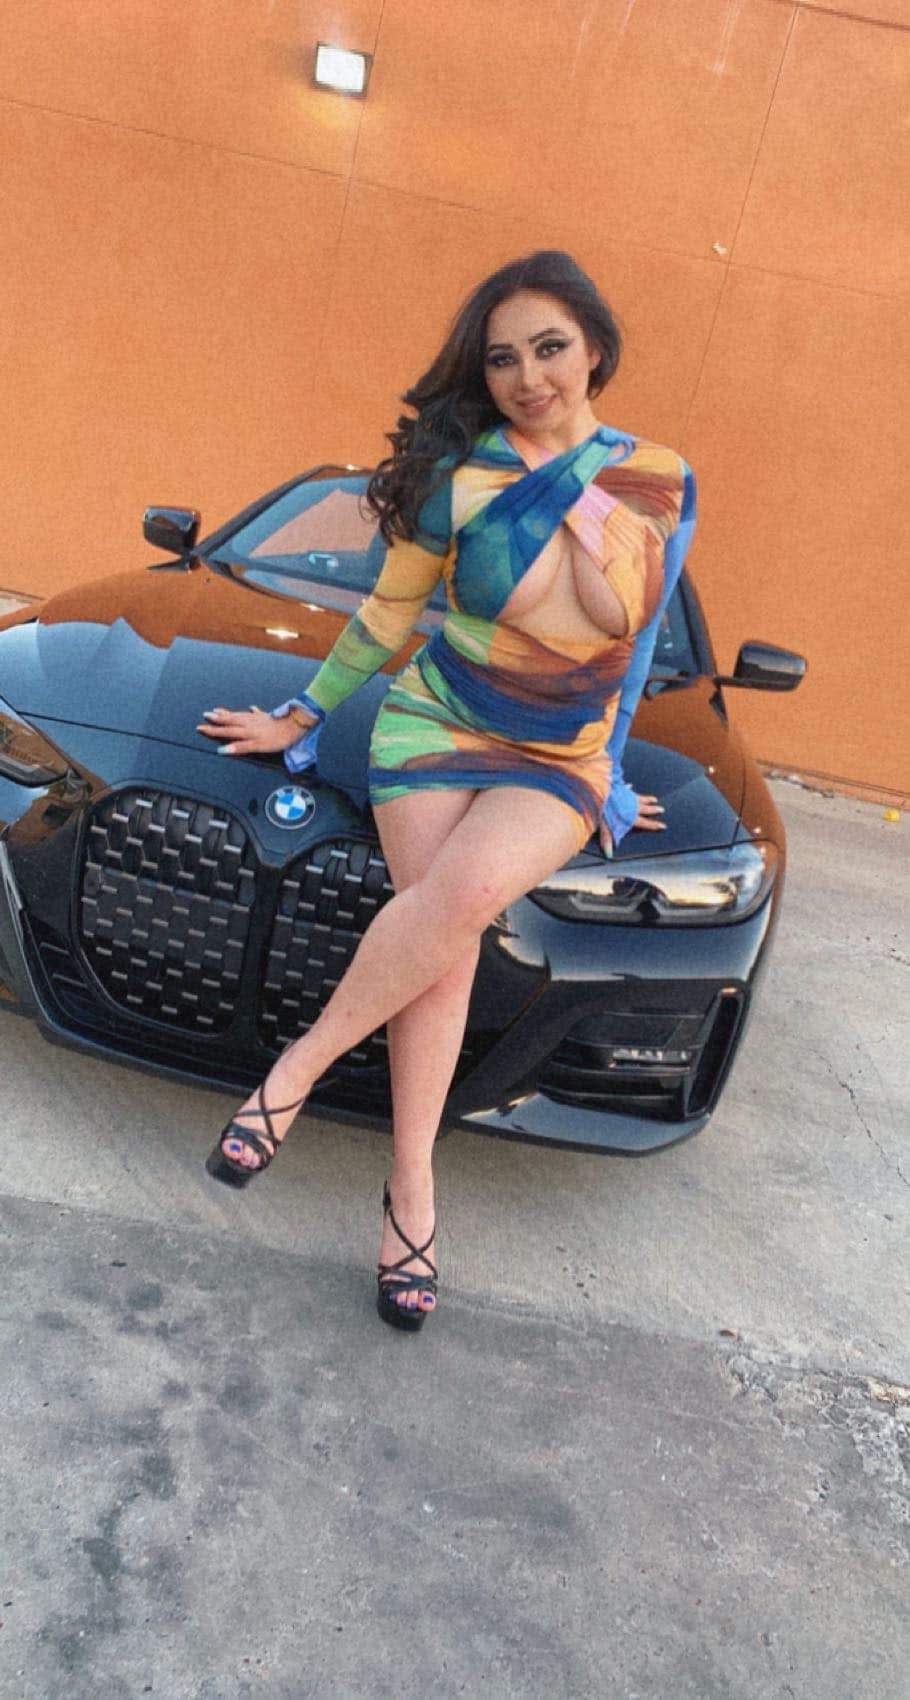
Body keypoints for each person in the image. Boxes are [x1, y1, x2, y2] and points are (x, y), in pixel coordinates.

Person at [197, 250, 696, 1332]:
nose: (528, 376)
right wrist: (301, 714)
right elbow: (388, 613)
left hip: (557, 753)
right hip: (435, 720)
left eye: (550, 348)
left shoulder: (658, 476)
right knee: (445, 945)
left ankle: (295, 1071)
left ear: (596, 349)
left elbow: (631, 630)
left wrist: (611, 769)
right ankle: (412, 1194)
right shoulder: (458, 475)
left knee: (458, 901)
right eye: (502, 359)